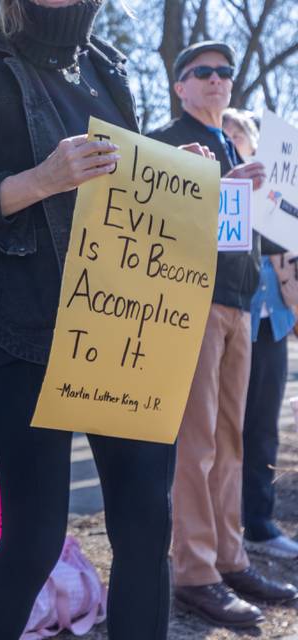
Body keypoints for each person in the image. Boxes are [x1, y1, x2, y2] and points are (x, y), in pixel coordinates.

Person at [0, 1, 187, 638]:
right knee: (34, 539)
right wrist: (39, 180)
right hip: (27, 335)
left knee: (146, 527)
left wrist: (174, 170)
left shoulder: (108, 70)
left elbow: (119, 193)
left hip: (123, 328)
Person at [149, 41, 297, 628]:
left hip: (240, 304)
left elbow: (246, 231)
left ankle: (230, 557)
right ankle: (194, 571)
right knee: (198, 442)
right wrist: (217, 185)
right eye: (201, 72)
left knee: (232, 441)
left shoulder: (230, 143)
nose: (216, 79)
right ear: (180, 87)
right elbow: (152, 218)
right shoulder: (166, 141)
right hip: (192, 302)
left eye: (224, 72)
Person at [223, 108, 298, 559]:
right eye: (227, 135)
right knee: (225, 429)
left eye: (241, 134)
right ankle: (220, 525)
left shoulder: (280, 195)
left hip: (272, 324)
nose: (235, 140)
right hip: (231, 320)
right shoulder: (223, 188)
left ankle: (260, 524)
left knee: (263, 429)